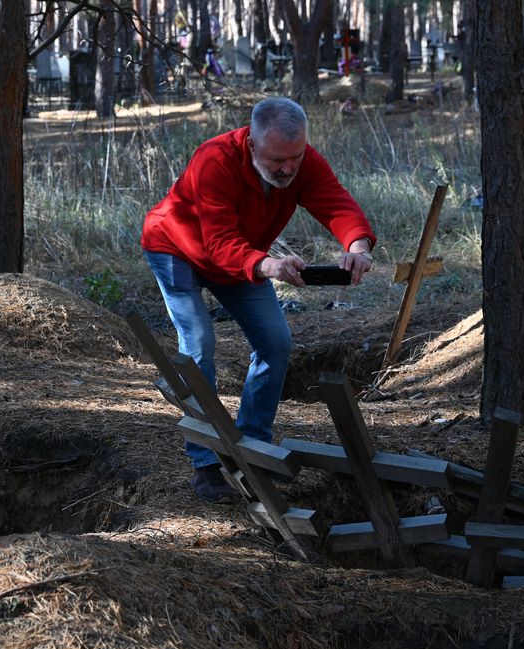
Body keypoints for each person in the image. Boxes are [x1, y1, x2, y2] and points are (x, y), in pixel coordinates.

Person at [141, 97, 376, 503]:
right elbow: (217, 243)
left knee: (276, 343)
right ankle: (206, 464)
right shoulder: (214, 159)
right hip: (176, 250)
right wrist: (268, 266)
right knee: (198, 347)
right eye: (277, 160)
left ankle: (253, 448)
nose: (287, 168)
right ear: (251, 144)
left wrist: (358, 246)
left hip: (243, 260)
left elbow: (336, 203)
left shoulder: (303, 162)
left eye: (295, 158)